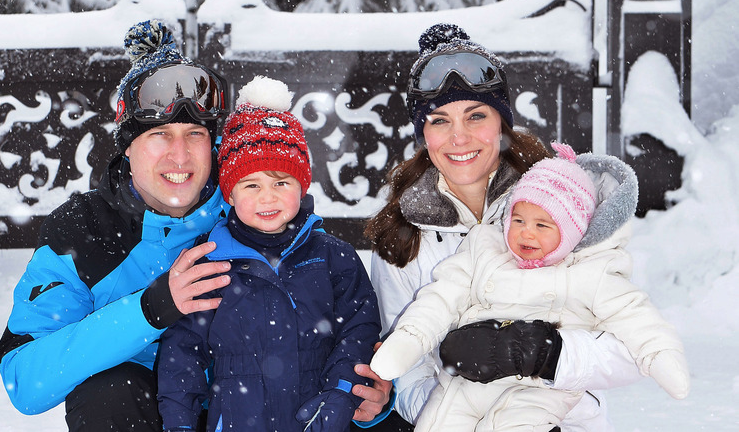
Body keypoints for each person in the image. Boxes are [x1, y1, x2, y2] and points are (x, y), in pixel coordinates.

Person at [0, 20, 389, 430]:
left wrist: (371, 395)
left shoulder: (251, 206)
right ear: (128, 147)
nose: (180, 156)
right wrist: (149, 311)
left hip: (250, 410)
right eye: (160, 134)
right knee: (109, 391)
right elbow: (26, 381)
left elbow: (332, 316)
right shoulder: (82, 230)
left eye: (194, 134)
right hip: (148, 414)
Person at [361, 23, 644, 431]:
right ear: (423, 132)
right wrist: (473, 405)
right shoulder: (403, 236)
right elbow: (408, 375)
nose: (459, 137)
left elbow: (630, 350)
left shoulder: (561, 204)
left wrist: (544, 354)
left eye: (476, 116)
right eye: (440, 121)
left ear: (501, 122)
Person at [370, 142, 690, 431]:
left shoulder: (590, 272)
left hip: (540, 391)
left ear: (570, 231)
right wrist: (411, 338)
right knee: (440, 421)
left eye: (542, 225)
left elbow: (634, 315)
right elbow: (440, 297)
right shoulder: (486, 250)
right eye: (519, 220)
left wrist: (659, 352)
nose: (526, 234)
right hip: (470, 380)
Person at [156, 75, 382, 432]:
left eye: (281, 182)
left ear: (302, 185)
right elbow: (181, 355)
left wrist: (340, 393)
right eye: (251, 185)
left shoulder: (332, 256)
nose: (268, 197)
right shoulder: (208, 263)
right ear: (229, 194)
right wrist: (180, 424)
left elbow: (359, 330)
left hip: (316, 419)